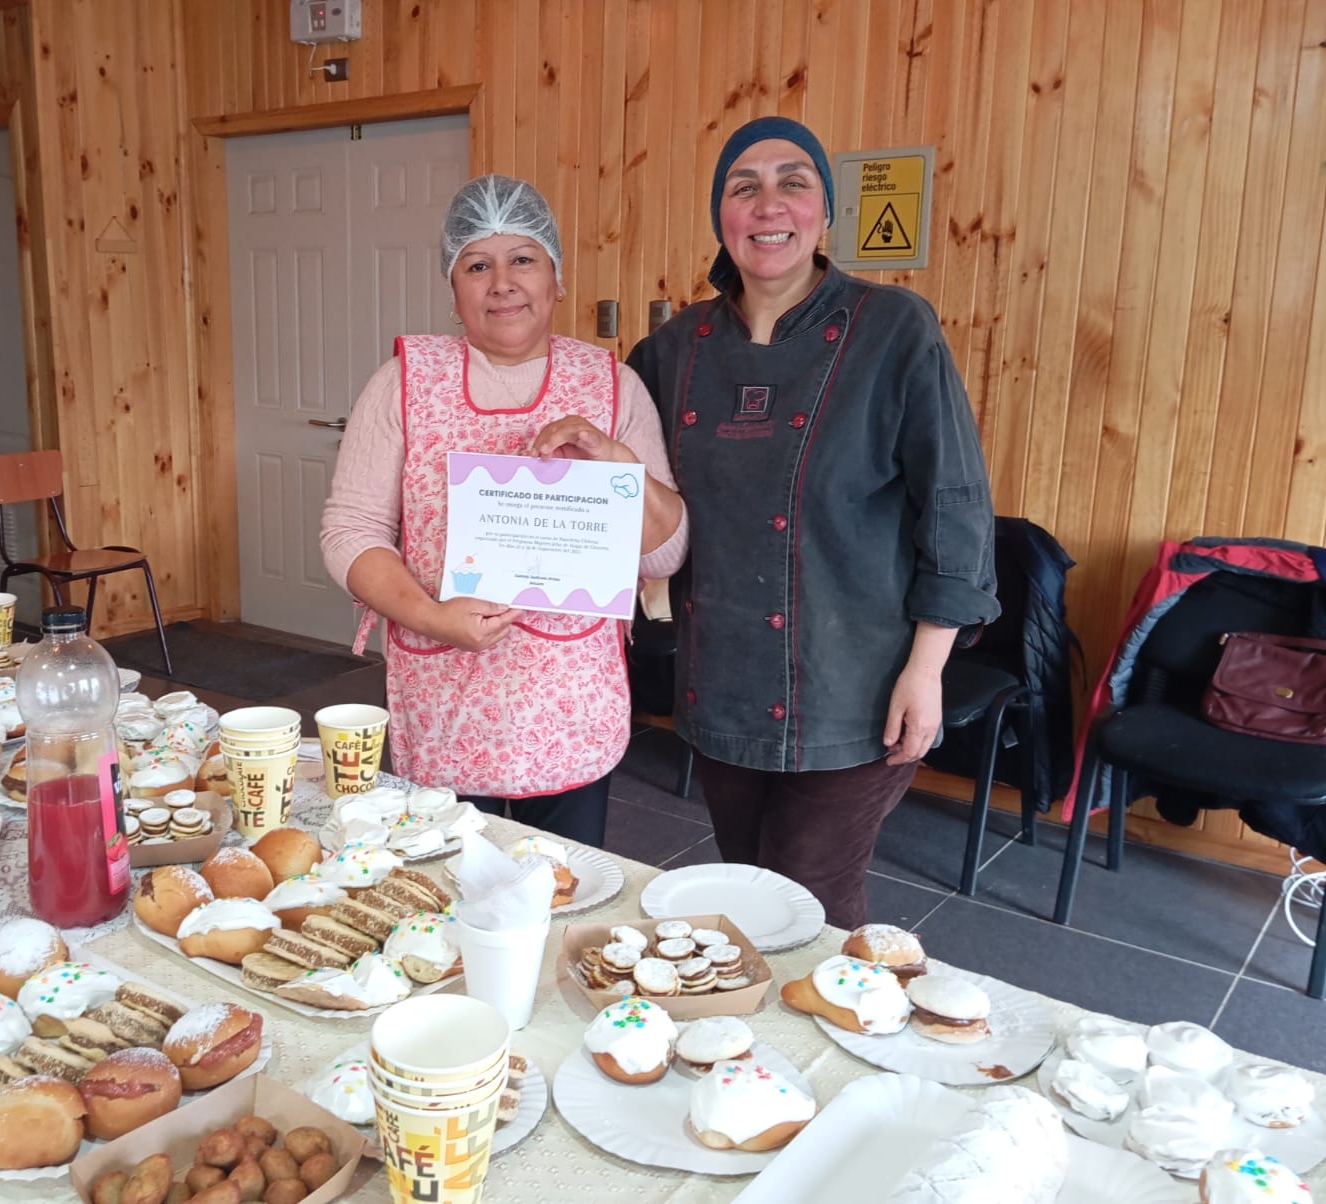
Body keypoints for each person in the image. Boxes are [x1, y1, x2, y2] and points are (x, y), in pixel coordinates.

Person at [627, 117, 998, 927]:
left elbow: (955, 508)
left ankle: (828, 1041)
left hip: (855, 687)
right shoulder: (673, 348)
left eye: (794, 182)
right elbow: (615, 483)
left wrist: (927, 669)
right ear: (721, 217)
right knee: (746, 890)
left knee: (814, 904)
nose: (770, 204)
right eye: (743, 186)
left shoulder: (894, 328)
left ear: (825, 211)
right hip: (721, 677)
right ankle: (744, 1043)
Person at [321, 174, 687, 846]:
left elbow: (664, 553)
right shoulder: (403, 383)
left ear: (556, 279)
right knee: (446, 894)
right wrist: (432, 616)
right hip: (444, 696)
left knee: (561, 890)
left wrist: (615, 463)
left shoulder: (612, 386)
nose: (502, 283)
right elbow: (350, 532)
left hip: (569, 706)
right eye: (477, 265)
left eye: (523, 259)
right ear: (453, 289)